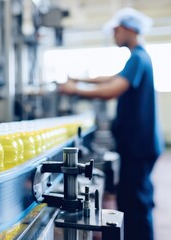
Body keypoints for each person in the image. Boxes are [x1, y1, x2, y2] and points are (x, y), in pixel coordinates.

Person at [59, 8, 164, 240]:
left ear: (129, 29)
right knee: (130, 197)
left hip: (139, 145)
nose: (114, 35)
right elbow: (111, 78)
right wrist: (79, 79)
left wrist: (74, 90)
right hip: (138, 143)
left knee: (136, 202)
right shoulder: (137, 58)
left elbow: (113, 89)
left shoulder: (138, 57)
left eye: (116, 30)